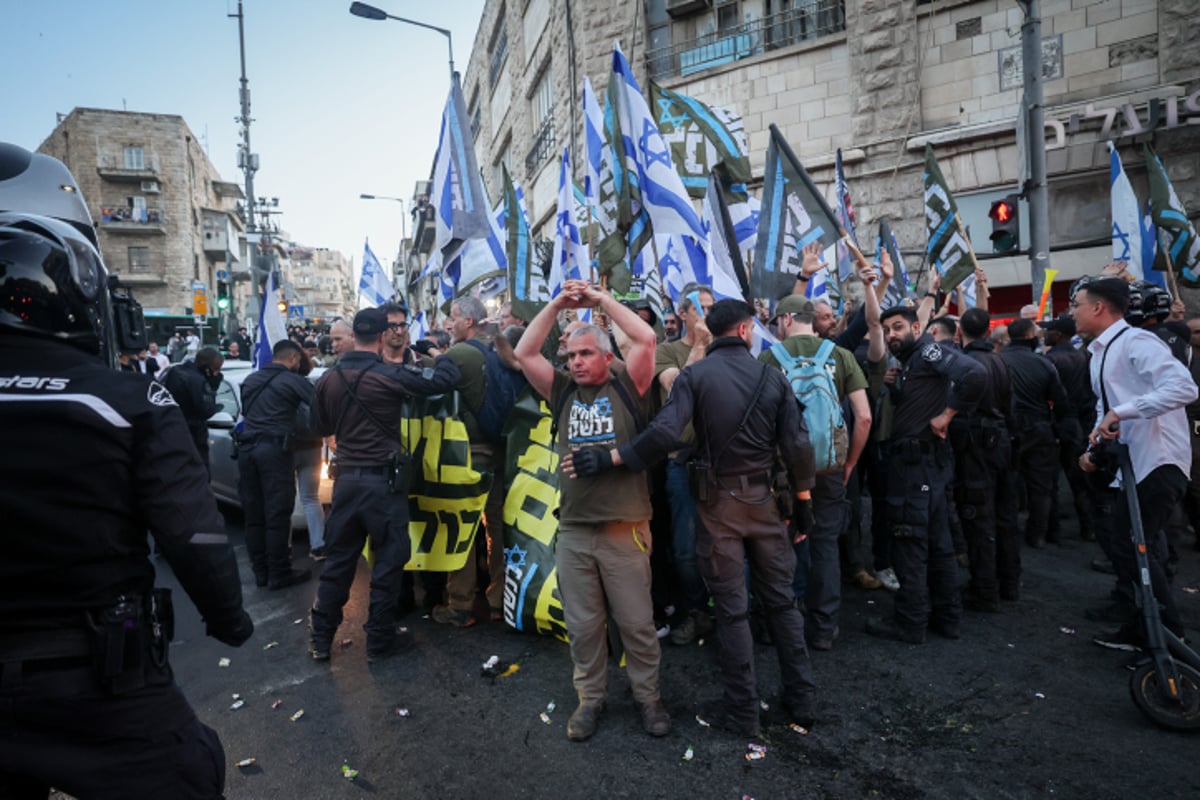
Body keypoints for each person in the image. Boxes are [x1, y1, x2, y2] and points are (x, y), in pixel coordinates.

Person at [0, 141, 253, 797]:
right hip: (98, 676)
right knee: (188, 773)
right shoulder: (127, 401)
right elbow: (192, 532)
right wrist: (230, 620)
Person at [568, 299, 819, 737]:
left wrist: (611, 458)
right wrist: (802, 500)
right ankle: (803, 700)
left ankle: (743, 711)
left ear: (714, 332)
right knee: (781, 603)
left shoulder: (695, 376)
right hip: (764, 503)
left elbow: (666, 433)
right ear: (744, 332)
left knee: (732, 610)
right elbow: (798, 445)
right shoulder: (772, 376)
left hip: (718, 505)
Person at [514, 279, 671, 742]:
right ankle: (590, 700)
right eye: (571, 356)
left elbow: (645, 339)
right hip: (576, 533)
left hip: (625, 530)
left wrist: (602, 300)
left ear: (606, 356)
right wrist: (558, 303)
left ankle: (649, 699)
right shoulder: (561, 391)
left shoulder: (630, 387)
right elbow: (525, 353)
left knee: (638, 625)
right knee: (583, 628)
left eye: (586, 354)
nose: (576, 363)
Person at [308, 308, 461, 663]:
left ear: (353, 336)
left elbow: (318, 424)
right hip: (382, 485)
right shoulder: (388, 376)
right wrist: (437, 354)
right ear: (380, 337)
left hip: (346, 483)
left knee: (339, 564)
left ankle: (320, 639)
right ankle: (379, 640)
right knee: (389, 562)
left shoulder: (329, 379)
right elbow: (444, 381)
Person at [1069, 278, 1197, 651]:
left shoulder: (1137, 342)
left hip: (1158, 461)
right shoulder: (1100, 352)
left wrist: (1122, 412)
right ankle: (1145, 628)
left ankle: (1167, 636)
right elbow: (1106, 405)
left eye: (1076, 304)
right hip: (1133, 464)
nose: (1071, 312)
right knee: (1128, 544)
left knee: (1132, 545)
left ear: (1098, 308)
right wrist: (1095, 444)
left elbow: (1184, 388)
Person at [866, 305, 985, 644]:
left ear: (917, 327)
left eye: (898, 327)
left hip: (915, 465)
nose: (891, 335)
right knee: (939, 544)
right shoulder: (911, 361)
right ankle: (947, 619)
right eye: (887, 330)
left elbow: (975, 375)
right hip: (927, 464)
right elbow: (920, 400)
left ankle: (910, 622)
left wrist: (947, 415)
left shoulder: (929, 350)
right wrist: (897, 387)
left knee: (910, 544)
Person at [761, 294, 871, 651]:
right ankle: (823, 628)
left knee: (780, 544)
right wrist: (849, 462)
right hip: (828, 468)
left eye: (778, 320)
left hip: (784, 471)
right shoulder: (840, 355)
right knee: (824, 544)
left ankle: (784, 624)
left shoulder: (768, 359)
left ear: (788, 319)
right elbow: (864, 417)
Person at [434, 296, 509, 627]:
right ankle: (500, 600)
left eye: (453, 318)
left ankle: (460, 605)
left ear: (468, 321)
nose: (449, 324)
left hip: (469, 454)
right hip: (500, 450)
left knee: (462, 528)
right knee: (498, 529)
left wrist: (435, 357)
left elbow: (432, 383)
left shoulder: (460, 353)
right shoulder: (497, 349)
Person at [653, 284, 715, 645]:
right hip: (682, 463)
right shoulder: (669, 351)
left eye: (710, 306)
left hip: (723, 462)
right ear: (682, 313)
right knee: (685, 547)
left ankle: (734, 610)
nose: (706, 314)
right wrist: (699, 347)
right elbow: (677, 388)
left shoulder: (725, 348)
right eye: (699, 308)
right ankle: (696, 612)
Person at [237, 339, 316, 590]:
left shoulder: (250, 380)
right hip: (274, 451)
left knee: (254, 515)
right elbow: (319, 406)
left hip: (246, 450)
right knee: (278, 514)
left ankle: (260, 572)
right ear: (293, 358)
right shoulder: (293, 381)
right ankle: (279, 573)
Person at [954, 308, 1018, 610]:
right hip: (1000, 442)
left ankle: (985, 590)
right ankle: (1008, 582)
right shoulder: (999, 361)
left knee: (979, 518)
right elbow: (1010, 406)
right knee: (1004, 517)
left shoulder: (966, 364)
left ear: (960, 333)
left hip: (977, 446)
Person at [1000, 318, 1075, 548]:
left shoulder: (998, 362)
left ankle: (1010, 532)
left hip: (1007, 429)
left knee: (1007, 485)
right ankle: (1037, 535)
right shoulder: (1043, 363)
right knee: (1041, 487)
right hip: (1039, 429)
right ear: (1030, 335)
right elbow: (1061, 400)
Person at [1042, 316, 1097, 544]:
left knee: (1052, 480)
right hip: (1082, 423)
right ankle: (1089, 527)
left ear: (1059, 334)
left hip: (1060, 423)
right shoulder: (1085, 356)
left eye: (1049, 331)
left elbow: (1049, 395)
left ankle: (1053, 530)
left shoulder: (1051, 360)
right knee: (1080, 480)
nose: (1045, 334)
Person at [161, 345, 223, 471]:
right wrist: (213, 388)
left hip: (170, 431)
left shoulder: (174, 371)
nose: (217, 373)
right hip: (193, 435)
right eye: (216, 369)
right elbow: (206, 409)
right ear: (207, 368)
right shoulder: (197, 381)